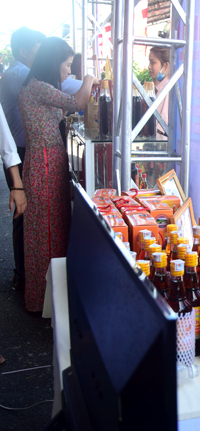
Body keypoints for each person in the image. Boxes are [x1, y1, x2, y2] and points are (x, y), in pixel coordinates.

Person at [19, 37, 96, 313]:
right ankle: (46, 303)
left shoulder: (35, 88)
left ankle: (45, 301)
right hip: (45, 165)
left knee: (46, 232)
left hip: (44, 163)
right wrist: (89, 77)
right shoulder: (38, 88)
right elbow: (78, 101)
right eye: (66, 65)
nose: (67, 71)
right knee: (48, 233)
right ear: (54, 63)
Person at [0, 27, 45, 292]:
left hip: (16, 152)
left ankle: (25, 273)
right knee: (22, 213)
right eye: (38, 52)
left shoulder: (15, 73)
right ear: (24, 51)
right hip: (19, 153)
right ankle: (24, 274)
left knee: (23, 212)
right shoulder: (19, 74)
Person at [148, 46, 170, 139]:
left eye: (153, 62)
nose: (149, 66)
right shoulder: (160, 89)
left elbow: (161, 130)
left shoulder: (167, 91)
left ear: (166, 66)